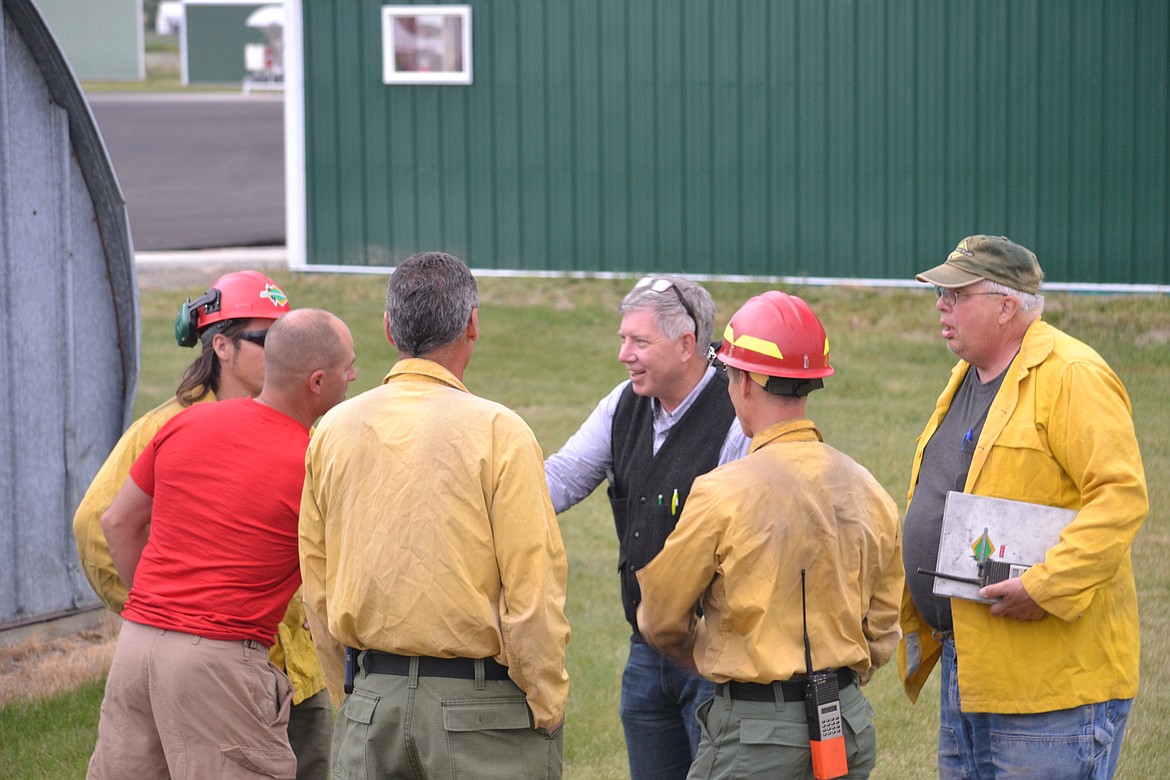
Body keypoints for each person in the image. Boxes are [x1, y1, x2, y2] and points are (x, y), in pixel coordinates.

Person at [299, 251, 570, 779]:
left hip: (371, 701)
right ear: (472, 325)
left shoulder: (332, 430)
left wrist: (351, 695)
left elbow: (318, 582)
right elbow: (532, 589)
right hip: (482, 710)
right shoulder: (501, 432)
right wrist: (547, 697)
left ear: (387, 328)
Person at [898, 235, 1148, 779]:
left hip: (1050, 691)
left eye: (955, 293)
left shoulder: (1072, 375)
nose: (941, 304)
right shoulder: (969, 374)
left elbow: (1120, 497)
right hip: (973, 664)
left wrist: (1046, 585)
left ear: (1006, 305)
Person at [72, 271, 335, 780]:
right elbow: (100, 525)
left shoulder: (300, 431)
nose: (283, 348)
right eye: (267, 338)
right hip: (221, 659)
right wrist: (167, 609)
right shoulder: (169, 425)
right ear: (222, 346)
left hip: (295, 668)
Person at [636, 290, 904, 780]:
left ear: (745, 383)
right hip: (845, 720)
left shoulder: (722, 492)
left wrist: (700, 652)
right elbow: (884, 625)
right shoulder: (868, 488)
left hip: (754, 735)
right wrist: (839, 668)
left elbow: (660, 616)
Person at [544, 274, 749, 779]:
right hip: (647, 651)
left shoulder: (737, 416)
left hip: (716, 656)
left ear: (686, 344)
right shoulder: (622, 404)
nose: (624, 354)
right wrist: (485, 505)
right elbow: (560, 479)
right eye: (622, 339)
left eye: (639, 341)